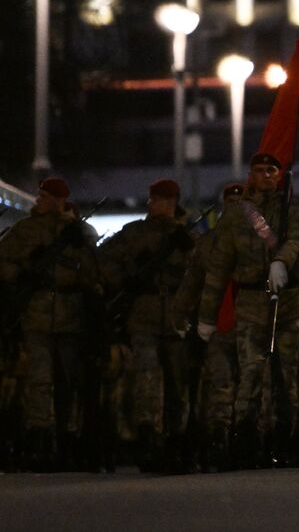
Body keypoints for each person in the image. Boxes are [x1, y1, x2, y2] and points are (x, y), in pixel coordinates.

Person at [193, 153, 299, 469]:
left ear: (280, 175)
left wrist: (281, 261)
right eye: (259, 171)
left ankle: (283, 441)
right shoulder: (236, 215)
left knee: (285, 377)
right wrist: (207, 315)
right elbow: (219, 267)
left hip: (287, 304)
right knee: (250, 374)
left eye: (271, 170)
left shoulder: (294, 210)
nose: (265, 176)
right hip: (251, 303)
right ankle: (245, 441)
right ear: (251, 175)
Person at [97, 178, 197, 472]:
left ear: (173, 201)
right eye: (153, 198)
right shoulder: (135, 233)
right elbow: (104, 260)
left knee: (178, 382)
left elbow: (203, 271)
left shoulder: (188, 235)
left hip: (176, 314)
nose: (154, 204)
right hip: (144, 313)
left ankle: (176, 440)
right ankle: (148, 436)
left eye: (162, 199)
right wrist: (126, 278)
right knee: (147, 379)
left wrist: (187, 253)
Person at [0, 178, 99, 471]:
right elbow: (3, 260)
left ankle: (68, 436)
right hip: (37, 314)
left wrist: (79, 247)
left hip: (71, 316)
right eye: (39, 195)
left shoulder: (79, 232)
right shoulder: (25, 231)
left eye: (45, 196)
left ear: (59, 199)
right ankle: (39, 437)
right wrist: (21, 272)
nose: (39, 201)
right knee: (39, 380)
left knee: (68, 380)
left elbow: (93, 271)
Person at [173, 181, 246, 471]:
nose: (234, 207)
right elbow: (192, 282)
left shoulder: (257, 241)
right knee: (220, 384)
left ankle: (247, 439)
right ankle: (218, 438)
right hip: (217, 323)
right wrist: (180, 315)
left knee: (252, 386)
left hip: (251, 322)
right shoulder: (208, 244)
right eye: (230, 201)